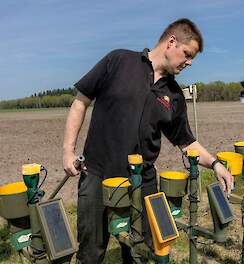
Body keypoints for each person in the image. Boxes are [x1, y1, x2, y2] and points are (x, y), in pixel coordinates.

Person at [62, 18, 233, 264]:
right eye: (187, 54)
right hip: (97, 175)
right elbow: (80, 102)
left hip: (143, 184)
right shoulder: (119, 61)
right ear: (171, 42)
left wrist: (216, 164)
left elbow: (187, 143)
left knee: (140, 253)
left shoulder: (174, 95)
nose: (189, 62)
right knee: (90, 254)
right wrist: (68, 151)